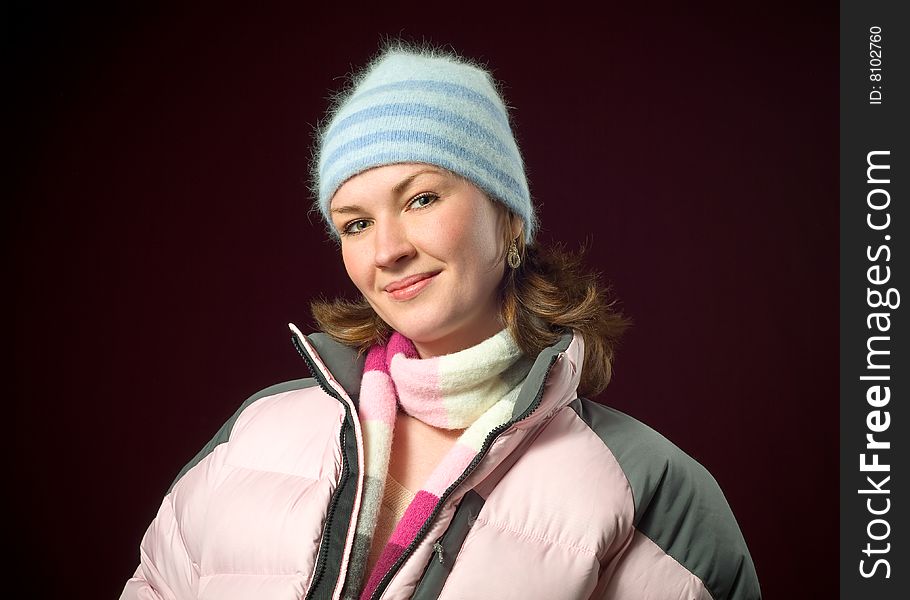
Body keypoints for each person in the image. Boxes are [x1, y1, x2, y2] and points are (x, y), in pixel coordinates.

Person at [121, 38, 761, 600]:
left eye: (422, 198)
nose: (387, 249)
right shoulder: (255, 434)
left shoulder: (646, 489)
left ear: (509, 221)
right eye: (356, 223)